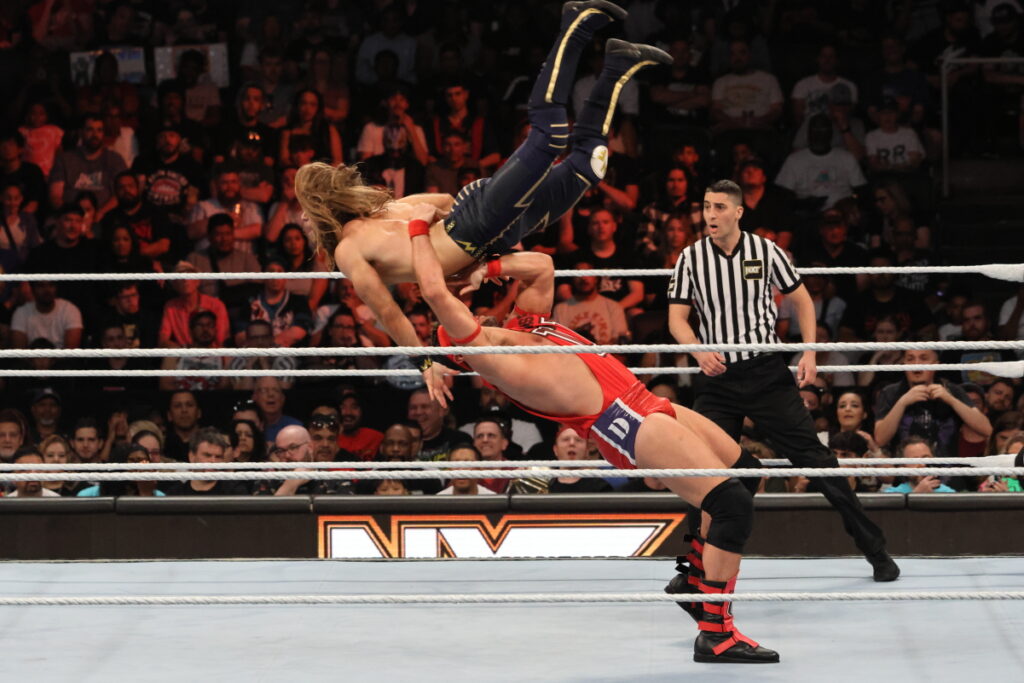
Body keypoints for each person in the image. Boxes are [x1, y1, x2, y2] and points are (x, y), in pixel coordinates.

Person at [409, 192, 778, 663]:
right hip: (624, 421)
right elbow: (435, 293)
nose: (473, 309)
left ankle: (693, 577)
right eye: (463, 318)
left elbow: (541, 265)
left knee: (747, 471)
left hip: (645, 402)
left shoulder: (529, 326)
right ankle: (716, 634)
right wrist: (419, 230)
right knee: (729, 504)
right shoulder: (495, 356)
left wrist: (488, 270)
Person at [296, 5, 669, 392]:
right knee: (589, 165)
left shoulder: (369, 224)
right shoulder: (356, 241)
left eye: (306, 214)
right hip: (492, 233)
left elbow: (396, 297)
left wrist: (426, 353)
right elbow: (390, 299)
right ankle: (617, 65)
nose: (304, 221)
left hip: (476, 221)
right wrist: (453, 271)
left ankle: (573, 26)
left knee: (549, 135)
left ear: (321, 208)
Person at [667, 179, 899, 582]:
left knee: (818, 461)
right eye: (706, 207)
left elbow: (803, 299)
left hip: (766, 372)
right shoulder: (690, 259)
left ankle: (875, 549)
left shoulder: (766, 250)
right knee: (701, 467)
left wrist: (809, 351)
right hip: (718, 379)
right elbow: (676, 320)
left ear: (738, 212)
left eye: (720, 207)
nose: (711, 215)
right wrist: (699, 350)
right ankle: (694, 568)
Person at [874, 348, 992, 459]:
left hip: (947, 474)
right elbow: (880, 439)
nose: (916, 365)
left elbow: (986, 429)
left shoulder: (953, 391)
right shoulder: (890, 393)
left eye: (923, 358)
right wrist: (902, 403)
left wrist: (951, 400)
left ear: (936, 364)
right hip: (906, 475)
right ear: (904, 363)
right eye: (910, 359)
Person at [164, 428, 249, 496]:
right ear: (192, 457)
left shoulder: (235, 491)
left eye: (218, 457)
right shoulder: (175, 494)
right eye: (207, 455)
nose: (213, 461)